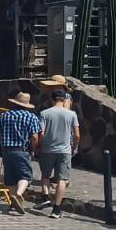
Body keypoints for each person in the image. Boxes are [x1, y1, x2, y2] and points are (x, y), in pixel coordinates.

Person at [0, 91, 42, 214]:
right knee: (25, 176)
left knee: (11, 178)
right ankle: (18, 195)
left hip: (7, 150)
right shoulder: (31, 117)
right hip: (22, 150)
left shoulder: (5, 115)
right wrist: (33, 148)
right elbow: (35, 136)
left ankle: (13, 203)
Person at [37, 88, 80, 218]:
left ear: (52, 99)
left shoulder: (44, 113)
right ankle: (56, 209)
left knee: (45, 176)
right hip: (65, 150)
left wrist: (39, 145)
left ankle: (45, 196)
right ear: (64, 99)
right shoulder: (71, 114)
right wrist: (74, 147)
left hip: (47, 149)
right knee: (62, 179)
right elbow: (77, 134)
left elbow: (41, 133)